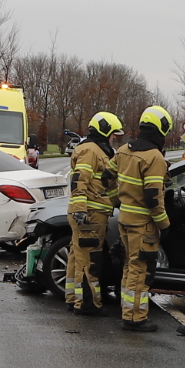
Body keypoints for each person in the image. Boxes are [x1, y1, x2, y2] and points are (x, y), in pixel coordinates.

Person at [112, 105, 172, 332]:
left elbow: (108, 175)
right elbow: (154, 197)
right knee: (140, 270)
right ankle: (136, 318)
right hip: (143, 224)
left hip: (125, 218)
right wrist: (164, 224)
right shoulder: (154, 157)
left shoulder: (125, 150)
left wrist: (116, 200)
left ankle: (129, 312)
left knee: (129, 266)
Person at [66, 112, 122, 316]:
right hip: (90, 213)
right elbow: (80, 179)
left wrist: (119, 203)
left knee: (77, 257)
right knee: (89, 260)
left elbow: (106, 185)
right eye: (114, 134)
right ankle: (88, 304)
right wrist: (81, 208)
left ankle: (73, 298)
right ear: (105, 131)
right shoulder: (91, 151)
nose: (115, 138)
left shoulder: (97, 150)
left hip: (90, 210)